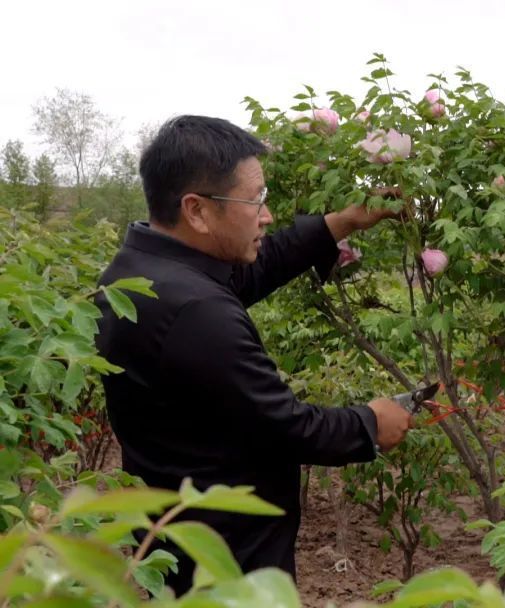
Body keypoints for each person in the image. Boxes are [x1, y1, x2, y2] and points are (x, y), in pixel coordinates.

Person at [94, 115, 412, 593]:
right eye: (255, 199)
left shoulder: (142, 270)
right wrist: (371, 424)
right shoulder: (197, 311)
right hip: (229, 561)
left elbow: (246, 273)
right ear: (197, 210)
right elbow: (286, 426)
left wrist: (341, 224)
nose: (266, 215)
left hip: (179, 537)